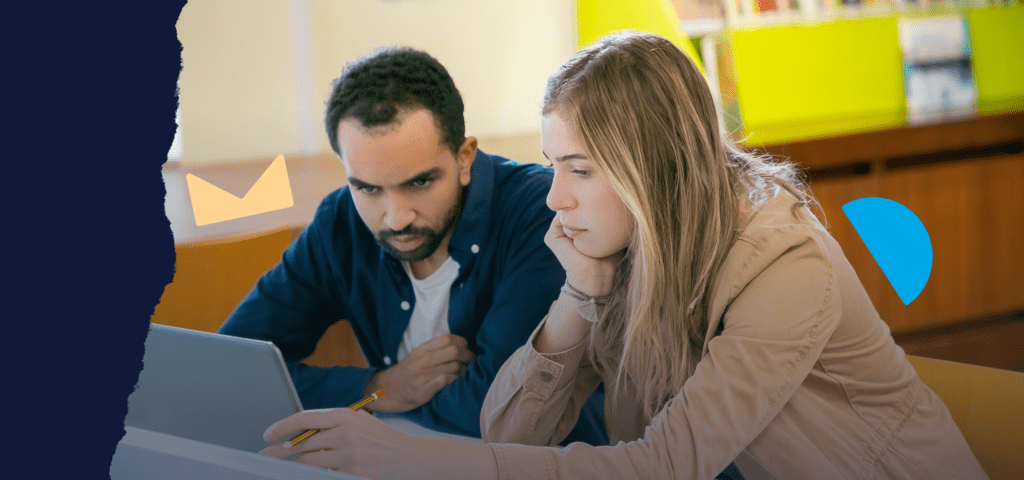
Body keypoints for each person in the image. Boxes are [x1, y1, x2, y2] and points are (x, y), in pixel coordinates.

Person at [259, 32, 987, 479]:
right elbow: (508, 432)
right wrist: (579, 297)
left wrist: (411, 460)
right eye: (552, 168)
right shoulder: (621, 250)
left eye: (579, 170)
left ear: (656, 168)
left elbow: (663, 467)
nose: (553, 199)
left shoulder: (785, 265)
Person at [219, 46, 606, 445]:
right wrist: (379, 387)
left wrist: (386, 401)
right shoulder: (340, 221)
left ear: (464, 156)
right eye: (367, 187)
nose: (396, 217)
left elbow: (500, 411)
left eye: (419, 182)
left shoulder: (539, 212)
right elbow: (230, 365)